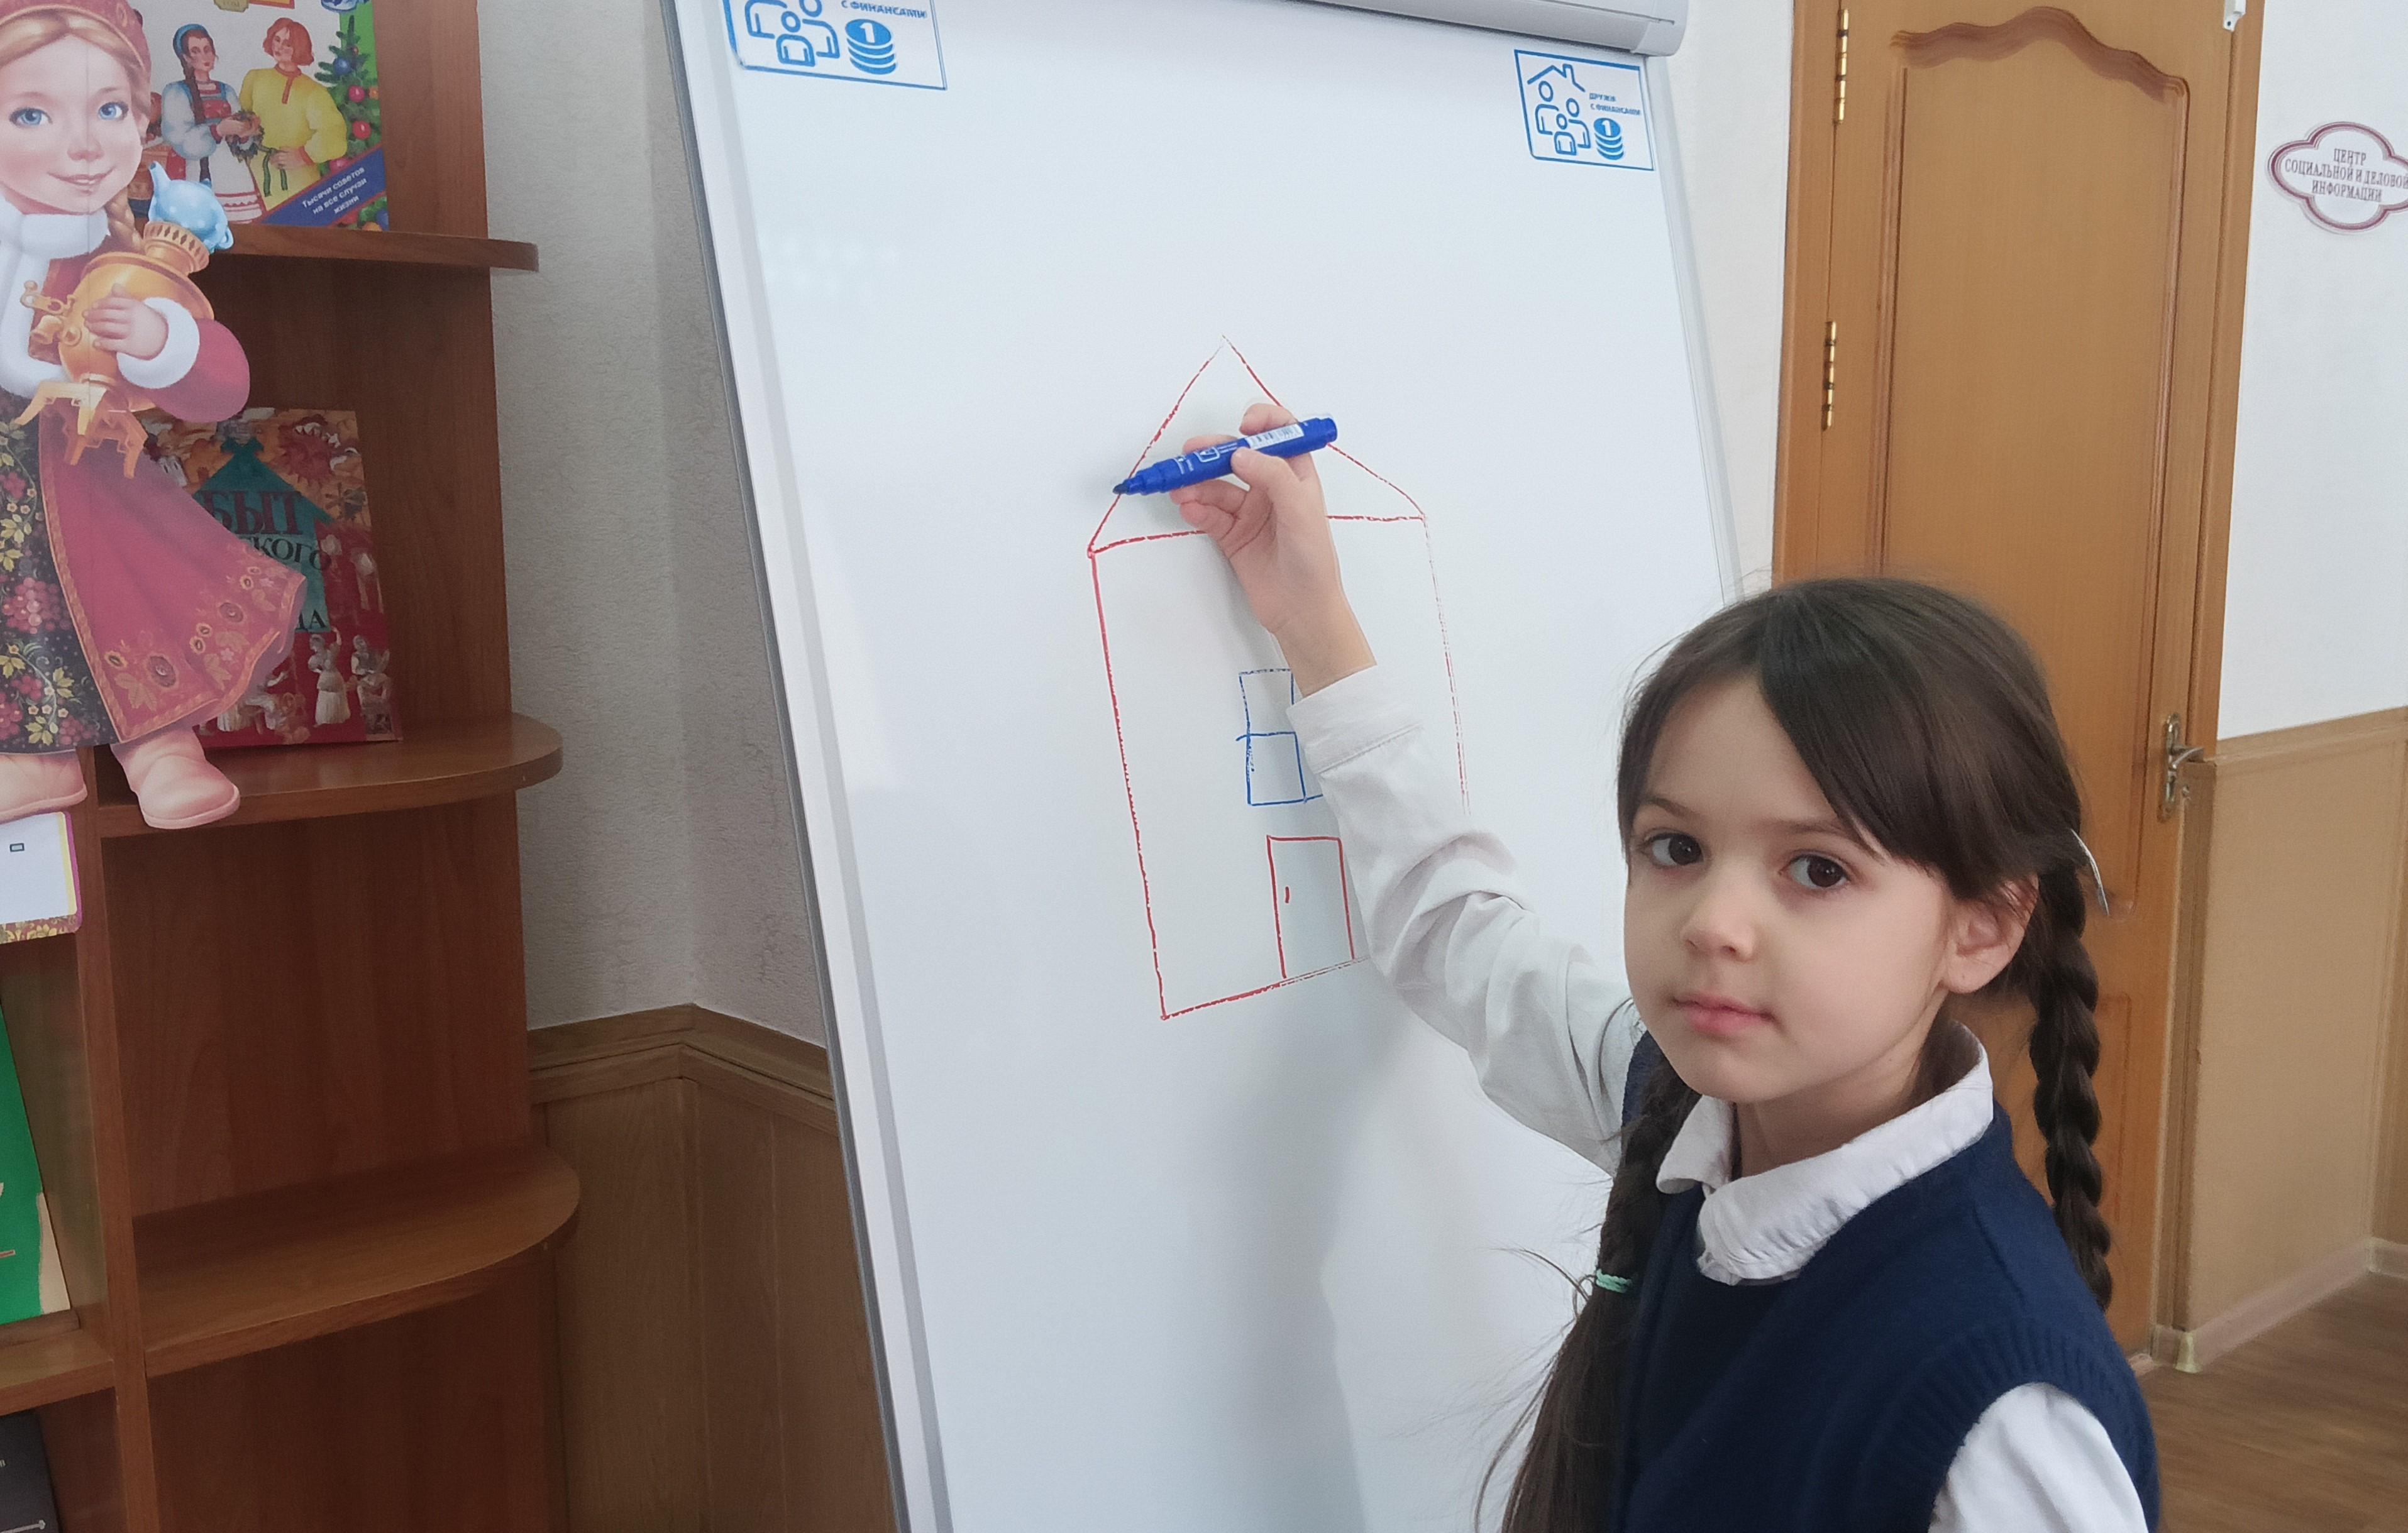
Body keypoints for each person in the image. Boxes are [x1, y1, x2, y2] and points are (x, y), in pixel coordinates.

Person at [1168, 406, 2158, 1532]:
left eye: (1818, 869)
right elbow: (1457, 931)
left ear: (1980, 926)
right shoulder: (1679, 1109)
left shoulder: (2003, 1410)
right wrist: (1313, 622)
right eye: (1676, 847)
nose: (1715, 923)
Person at [0, 0, 302, 828]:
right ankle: (32, 757)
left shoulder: (118, 258)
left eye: (108, 110)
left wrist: (159, 339)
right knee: (19, 621)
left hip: (85, 486)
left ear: (142, 120)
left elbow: (220, 384)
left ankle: (162, 750)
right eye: (32, 115)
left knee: (128, 609)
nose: (82, 145)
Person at [155, 23, 263, 222]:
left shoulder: (226, 90)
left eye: (207, 49)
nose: (204, 56)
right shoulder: (176, 92)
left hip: (231, 172)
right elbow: (179, 138)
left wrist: (246, 132)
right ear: (186, 58)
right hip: (194, 168)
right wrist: (217, 130)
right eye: (196, 51)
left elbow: (240, 138)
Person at [238, 17, 344, 214]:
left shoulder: (314, 91)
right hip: (256, 173)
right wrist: (245, 130)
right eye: (277, 40)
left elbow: (334, 134)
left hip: (299, 180)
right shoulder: (255, 78)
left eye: (288, 44)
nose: (280, 47)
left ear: (300, 47)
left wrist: (303, 155)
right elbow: (241, 119)